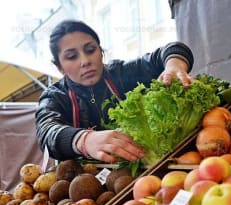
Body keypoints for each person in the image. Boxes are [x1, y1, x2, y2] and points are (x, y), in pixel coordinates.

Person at [35, 19, 194, 163]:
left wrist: (174, 66)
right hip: (86, 182)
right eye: (71, 57)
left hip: (142, 168)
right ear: (60, 67)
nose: (85, 61)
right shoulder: (54, 97)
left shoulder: (121, 73)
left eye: (90, 50)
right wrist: (84, 140)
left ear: (101, 51)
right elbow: (47, 132)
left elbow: (172, 49)